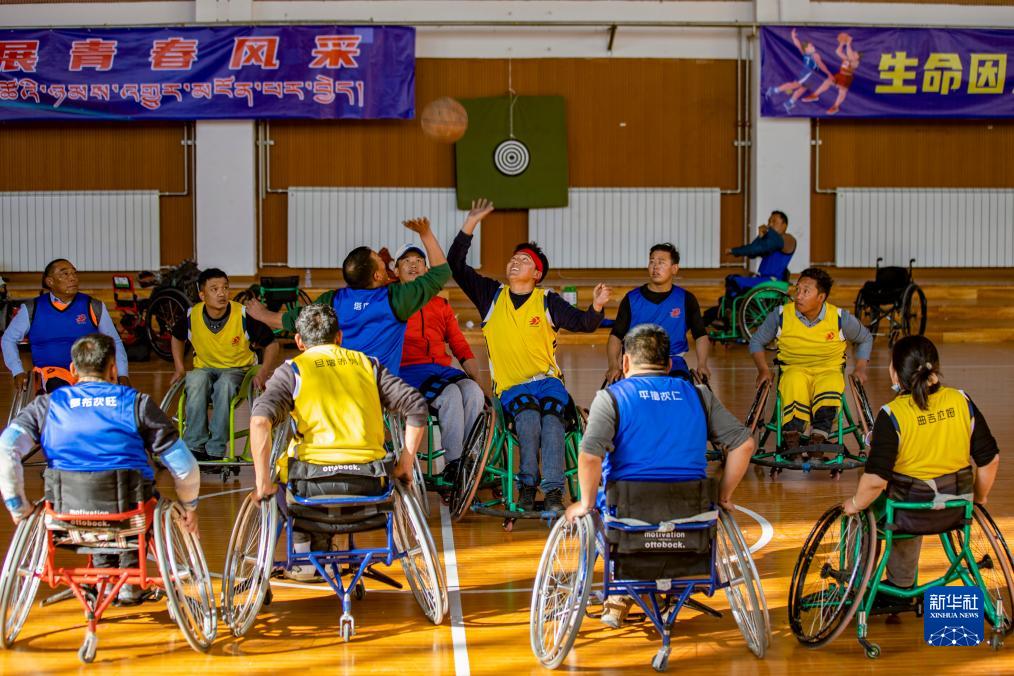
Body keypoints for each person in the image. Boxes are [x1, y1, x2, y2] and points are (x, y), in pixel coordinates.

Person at [566, 323, 755, 627]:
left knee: (594, 510)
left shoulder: (611, 398)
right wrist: (722, 496)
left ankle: (622, 591)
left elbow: (590, 456)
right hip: (691, 520)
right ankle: (659, 585)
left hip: (630, 516)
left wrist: (585, 503)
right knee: (673, 509)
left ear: (625, 362)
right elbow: (744, 444)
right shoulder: (699, 395)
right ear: (668, 364)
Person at [0, 333, 200, 605]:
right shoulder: (136, 404)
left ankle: (105, 577)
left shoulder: (48, 406)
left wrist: (17, 506)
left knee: (94, 498)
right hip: (128, 514)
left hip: (65, 516)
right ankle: (126, 579)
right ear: (113, 369)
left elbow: (6, 447)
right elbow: (184, 466)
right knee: (138, 501)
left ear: (73, 369)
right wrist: (189, 505)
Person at [448, 198, 611, 514]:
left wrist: (597, 306)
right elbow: (456, 265)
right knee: (527, 419)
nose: (514, 262)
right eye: (513, 258)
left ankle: (552, 491)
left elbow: (584, 323)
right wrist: (471, 223)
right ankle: (526, 486)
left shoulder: (547, 300)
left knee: (552, 418)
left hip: (548, 383)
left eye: (523, 260)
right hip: (511, 387)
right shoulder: (491, 296)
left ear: (536, 273)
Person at [248, 304, 428, 579]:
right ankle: (328, 548)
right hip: (370, 481)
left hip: (311, 484)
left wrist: (262, 483)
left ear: (299, 341)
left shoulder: (293, 371)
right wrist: (405, 463)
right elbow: (416, 406)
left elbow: (260, 421)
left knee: (276, 482)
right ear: (339, 337)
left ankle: (301, 552)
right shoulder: (368, 365)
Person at [843, 335, 1000, 604]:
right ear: (934, 368)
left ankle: (857, 587)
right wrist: (979, 498)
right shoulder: (961, 401)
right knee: (905, 497)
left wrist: (854, 504)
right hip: (956, 507)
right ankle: (904, 583)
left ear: (895, 372)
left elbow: (876, 480)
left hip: (907, 512)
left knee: (865, 511)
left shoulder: (892, 415)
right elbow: (989, 461)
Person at [245, 218, 449, 377]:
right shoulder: (395, 299)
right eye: (380, 260)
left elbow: (295, 320)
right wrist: (425, 234)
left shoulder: (333, 299)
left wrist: (262, 314)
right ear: (377, 276)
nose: (384, 261)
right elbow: (441, 273)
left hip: (343, 386)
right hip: (380, 390)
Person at [750, 267, 873, 452]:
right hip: (793, 368)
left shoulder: (840, 318)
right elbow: (756, 341)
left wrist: (861, 368)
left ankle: (819, 437)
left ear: (821, 297)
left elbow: (865, 338)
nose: (798, 296)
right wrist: (763, 369)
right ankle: (792, 437)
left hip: (828, 370)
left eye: (806, 291)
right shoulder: (781, 315)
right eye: (797, 289)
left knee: (831, 383)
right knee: (793, 381)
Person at [393, 243, 485, 488]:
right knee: (451, 394)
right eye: (406, 261)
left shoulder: (440, 305)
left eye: (419, 261)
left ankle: (471, 459)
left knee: (473, 392)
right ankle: (455, 464)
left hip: (440, 369)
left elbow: (459, 344)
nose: (413, 265)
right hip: (407, 371)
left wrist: (479, 382)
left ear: (427, 269)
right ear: (396, 270)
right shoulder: (392, 300)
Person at [170, 268, 279, 461]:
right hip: (204, 368)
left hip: (237, 370)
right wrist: (179, 367)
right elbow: (177, 337)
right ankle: (194, 445)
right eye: (214, 289)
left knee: (225, 384)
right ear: (202, 295)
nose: (221, 293)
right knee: (195, 380)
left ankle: (215, 449)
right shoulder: (191, 316)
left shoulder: (243, 315)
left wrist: (263, 371)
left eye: (225, 288)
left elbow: (272, 344)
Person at [2, 259, 130, 393]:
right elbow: (8, 339)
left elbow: (114, 342)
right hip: (50, 373)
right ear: (50, 282)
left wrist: (122, 374)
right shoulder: (32, 308)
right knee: (62, 392)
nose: (73, 278)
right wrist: (17, 371)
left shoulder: (94, 306)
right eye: (65, 274)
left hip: (88, 372)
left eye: (74, 273)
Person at [606, 243, 711, 384]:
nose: (655, 267)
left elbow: (700, 335)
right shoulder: (631, 299)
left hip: (674, 362)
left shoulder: (686, 299)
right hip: (637, 364)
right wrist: (613, 365)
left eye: (661, 262)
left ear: (674, 268)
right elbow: (616, 336)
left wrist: (702, 364)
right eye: (652, 262)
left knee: (683, 390)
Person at [703, 210, 796, 328]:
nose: (770, 224)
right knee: (732, 282)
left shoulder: (788, 239)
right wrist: (760, 238)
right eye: (769, 221)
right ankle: (728, 315)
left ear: (784, 225)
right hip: (763, 280)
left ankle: (730, 318)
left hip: (772, 281)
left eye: (774, 221)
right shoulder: (772, 241)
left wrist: (767, 233)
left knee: (734, 280)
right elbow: (753, 250)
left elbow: (765, 245)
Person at [765, 28, 834, 113]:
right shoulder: (814, 55)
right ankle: (774, 90)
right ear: (807, 49)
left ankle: (790, 102)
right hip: (807, 75)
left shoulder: (806, 53)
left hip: (811, 76)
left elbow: (798, 46)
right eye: (811, 46)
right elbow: (821, 65)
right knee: (795, 85)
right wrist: (828, 73)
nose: (813, 47)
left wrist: (794, 37)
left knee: (802, 89)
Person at [803, 32, 860, 115]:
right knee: (827, 81)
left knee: (842, 92)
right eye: (854, 52)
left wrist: (848, 44)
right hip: (840, 74)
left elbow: (850, 54)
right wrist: (841, 44)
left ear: (857, 57)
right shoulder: (846, 58)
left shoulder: (855, 62)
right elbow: (838, 51)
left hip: (846, 77)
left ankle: (835, 106)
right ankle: (814, 95)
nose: (854, 53)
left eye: (855, 53)